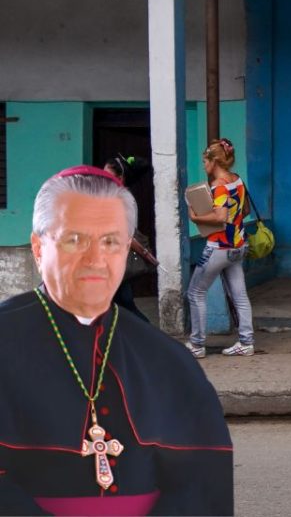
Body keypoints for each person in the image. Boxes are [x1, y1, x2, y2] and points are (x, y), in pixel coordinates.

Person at [0, 165, 232, 515]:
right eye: (74, 239)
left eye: (110, 241)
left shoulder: (168, 359)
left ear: (127, 249)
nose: (95, 259)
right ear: (38, 248)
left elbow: (203, 480)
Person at [185, 138, 255, 358]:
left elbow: (220, 217)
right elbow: (245, 211)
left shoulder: (220, 186)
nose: (204, 165)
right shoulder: (237, 180)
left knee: (195, 292)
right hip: (238, 245)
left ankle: (197, 345)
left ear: (214, 161)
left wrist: (196, 217)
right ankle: (246, 342)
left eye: (205, 161)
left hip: (219, 247)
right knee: (239, 296)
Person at [103, 155, 155, 323]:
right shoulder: (115, 198)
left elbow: (127, 231)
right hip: (113, 256)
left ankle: (146, 331)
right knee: (121, 302)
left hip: (119, 256)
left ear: (120, 178)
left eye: (108, 176)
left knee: (122, 303)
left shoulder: (124, 200)